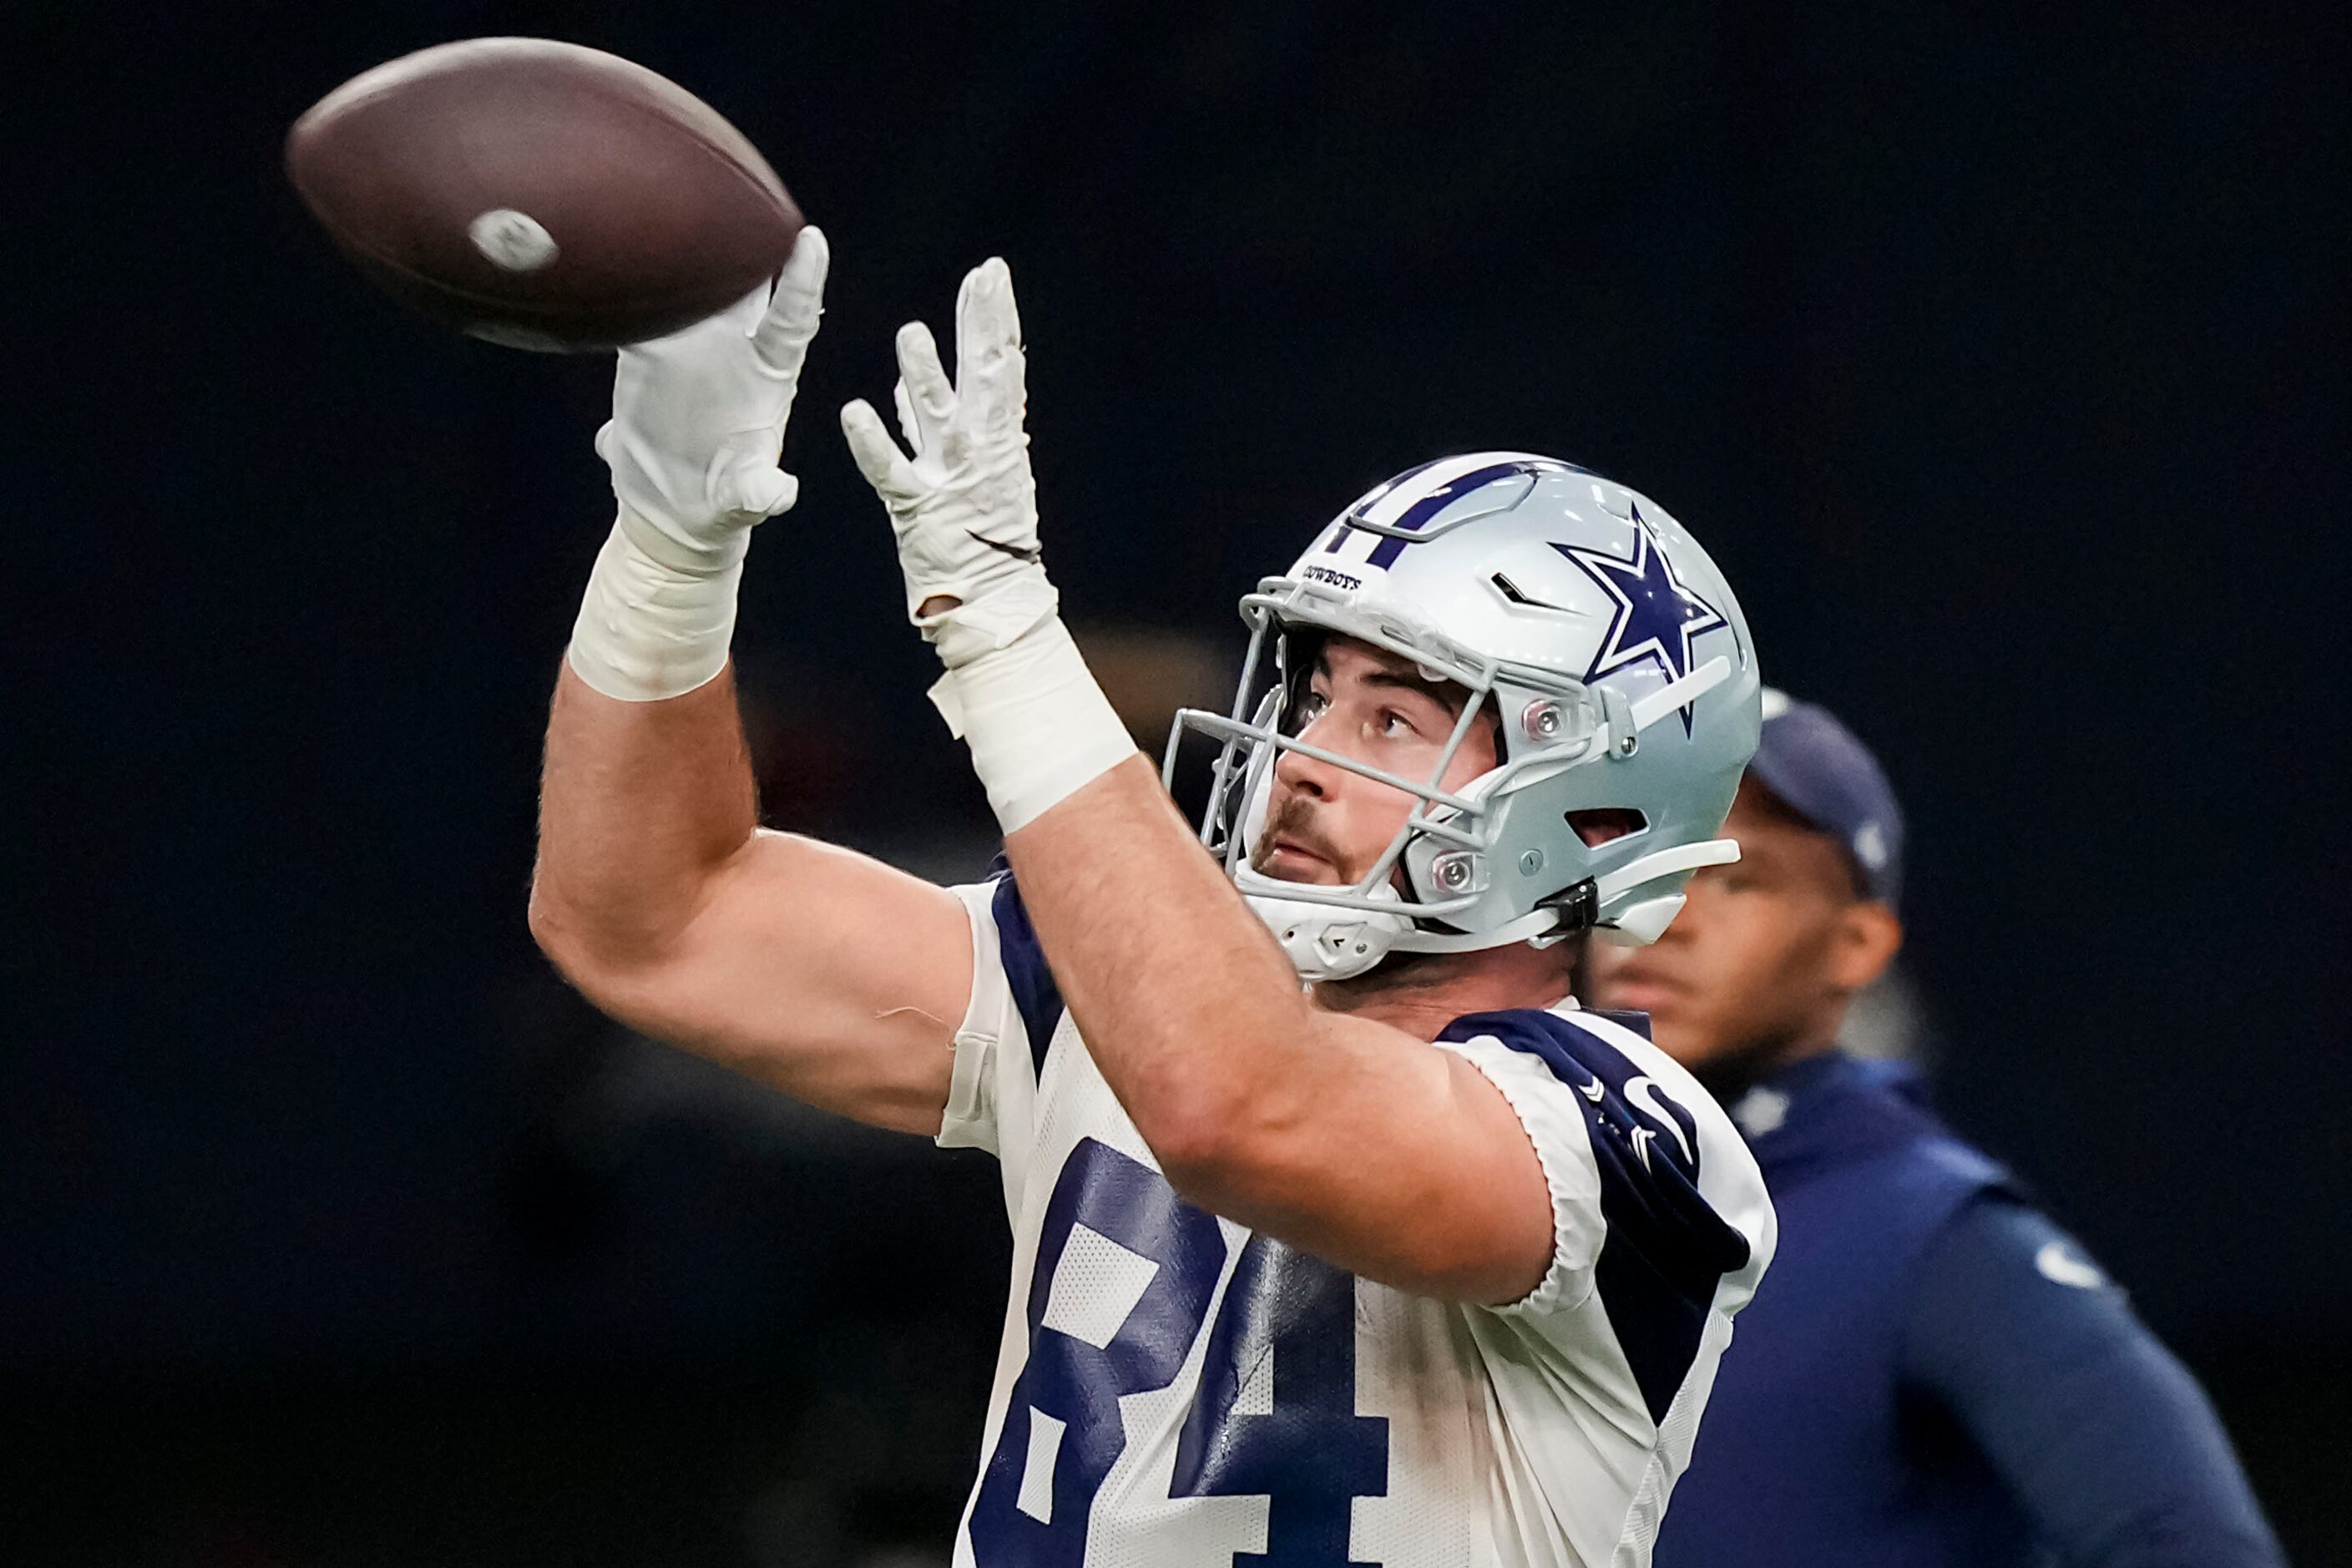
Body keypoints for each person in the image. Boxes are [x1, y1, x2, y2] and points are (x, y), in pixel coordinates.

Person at [529, 227, 1779, 1565]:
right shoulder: (1120, 994)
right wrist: (670, 543)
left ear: (1591, 811)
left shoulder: (1617, 1131)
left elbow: (1239, 1107)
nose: (1299, 760)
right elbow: (653, 914)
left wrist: (1002, 626)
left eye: (1399, 718)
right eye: (1310, 694)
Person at [1585, 691, 2287, 1568]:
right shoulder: (1531, 1179)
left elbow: (2195, 1545)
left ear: (1858, 946)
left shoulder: (1931, 1235)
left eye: (1733, 878)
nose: (1664, 917)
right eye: (1638, 860)